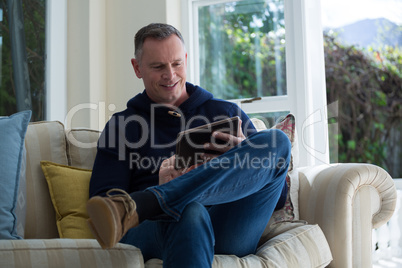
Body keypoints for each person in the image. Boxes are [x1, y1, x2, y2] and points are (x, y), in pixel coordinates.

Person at [87, 23, 291, 268]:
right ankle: (158, 201)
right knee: (189, 211)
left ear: (185, 59)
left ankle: (152, 200)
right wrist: (161, 182)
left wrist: (243, 157)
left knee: (276, 140)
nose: (170, 75)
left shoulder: (226, 112)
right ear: (137, 67)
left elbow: (277, 198)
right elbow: (105, 203)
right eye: (158, 66)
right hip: (159, 227)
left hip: (229, 226)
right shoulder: (122, 125)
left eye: (176, 64)